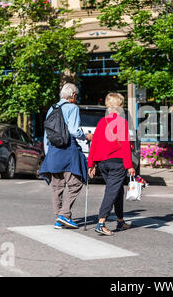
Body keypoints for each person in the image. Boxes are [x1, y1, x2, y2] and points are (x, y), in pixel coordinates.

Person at [39, 83, 92, 230]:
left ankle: (58, 218)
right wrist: (86, 137)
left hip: (54, 151)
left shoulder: (52, 108)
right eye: (76, 96)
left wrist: (47, 152)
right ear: (73, 95)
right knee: (76, 183)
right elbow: (74, 130)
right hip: (68, 151)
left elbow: (46, 134)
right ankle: (64, 214)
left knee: (57, 186)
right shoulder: (72, 107)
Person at [88, 92, 135, 236]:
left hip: (103, 163)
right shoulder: (122, 122)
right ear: (119, 106)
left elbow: (94, 143)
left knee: (117, 190)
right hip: (117, 163)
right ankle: (101, 222)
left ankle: (120, 220)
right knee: (111, 191)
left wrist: (91, 164)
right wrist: (130, 165)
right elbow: (125, 146)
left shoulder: (102, 122)